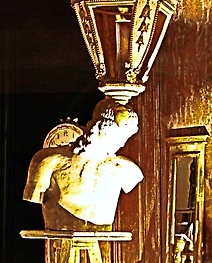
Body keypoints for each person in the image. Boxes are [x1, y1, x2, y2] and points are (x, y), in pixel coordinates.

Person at [24, 99, 144, 230]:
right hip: (61, 233)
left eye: (124, 138)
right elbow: (32, 201)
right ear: (98, 128)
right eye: (117, 135)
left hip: (103, 237)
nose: (121, 143)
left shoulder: (125, 169)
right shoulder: (48, 161)